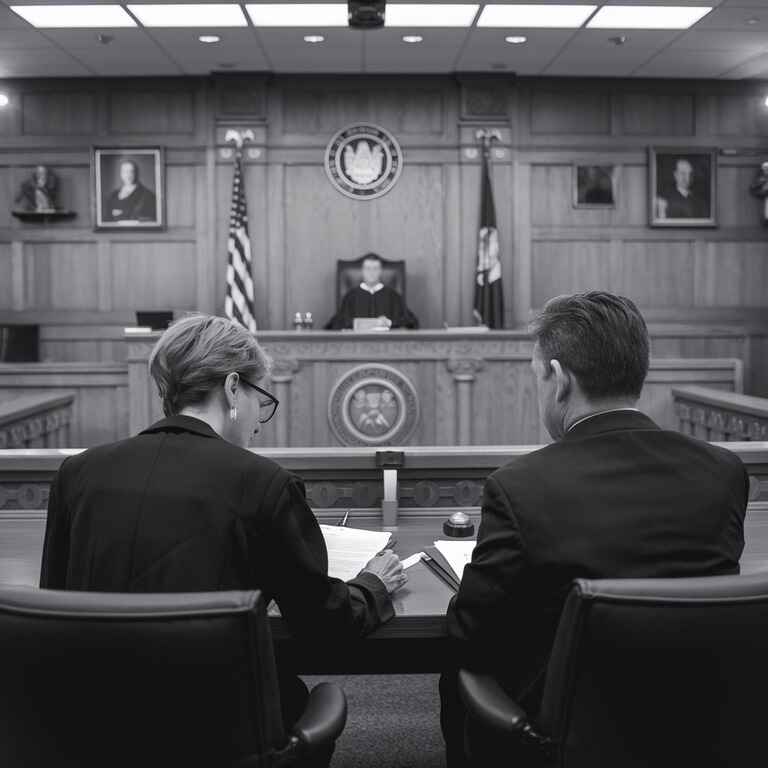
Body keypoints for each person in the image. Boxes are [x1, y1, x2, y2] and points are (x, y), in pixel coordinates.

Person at [40, 314, 406, 765]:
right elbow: (323, 626)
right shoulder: (265, 484)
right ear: (233, 388)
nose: (259, 420)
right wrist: (373, 584)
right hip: (220, 732)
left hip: (92, 728)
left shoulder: (77, 474)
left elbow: (53, 607)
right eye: (261, 399)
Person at [440, 291, 748, 767]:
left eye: (537, 378)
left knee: (460, 670)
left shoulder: (518, 487)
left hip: (570, 736)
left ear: (559, 380)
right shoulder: (723, 472)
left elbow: (470, 633)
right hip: (701, 724)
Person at [326, 252, 419, 329]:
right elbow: (336, 324)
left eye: (375, 268)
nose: (371, 272)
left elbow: (411, 322)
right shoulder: (351, 296)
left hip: (387, 345)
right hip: (356, 345)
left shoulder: (393, 295)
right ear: (362, 271)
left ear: (380, 271)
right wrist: (354, 324)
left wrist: (390, 322)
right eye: (368, 268)